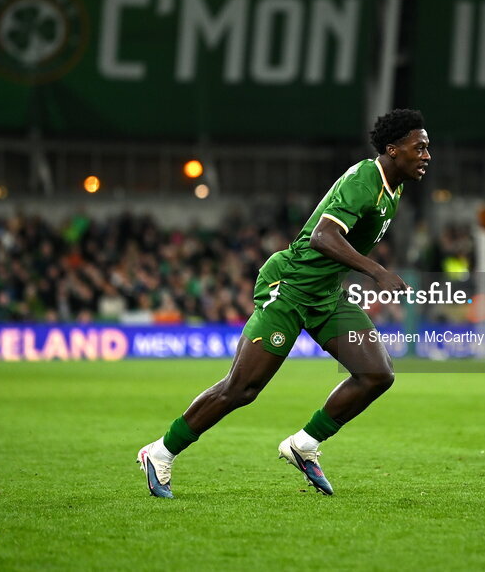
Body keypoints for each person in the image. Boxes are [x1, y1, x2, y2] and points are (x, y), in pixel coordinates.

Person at [137, 109, 431, 498]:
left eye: (427, 148)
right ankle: (160, 452)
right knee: (241, 389)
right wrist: (377, 271)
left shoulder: (395, 187)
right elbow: (322, 238)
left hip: (325, 293)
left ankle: (304, 444)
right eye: (419, 148)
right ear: (393, 150)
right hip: (291, 286)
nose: (427, 156)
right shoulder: (365, 180)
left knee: (377, 374)